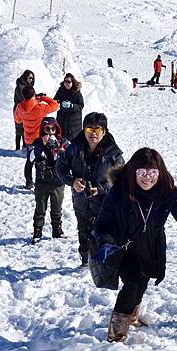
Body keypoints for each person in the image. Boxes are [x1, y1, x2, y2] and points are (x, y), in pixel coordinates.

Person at [93, 148, 177, 343]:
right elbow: (103, 222)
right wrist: (106, 243)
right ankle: (116, 333)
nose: (148, 178)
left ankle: (132, 316)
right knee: (133, 283)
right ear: (133, 172)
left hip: (150, 247)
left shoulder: (167, 192)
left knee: (143, 281)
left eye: (153, 173)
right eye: (142, 173)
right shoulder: (120, 192)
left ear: (160, 173)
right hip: (123, 249)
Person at [55, 112, 124, 267]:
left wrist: (99, 189)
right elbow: (60, 168)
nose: (93, 134)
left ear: (104, 132)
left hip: (104, 203)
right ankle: (85, 259)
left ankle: (101, 261)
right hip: (80, 200)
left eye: (97, 130)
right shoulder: (74, 148)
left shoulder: (113, 153)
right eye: (89, 130)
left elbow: (121, 180)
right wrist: (72, 181)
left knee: (102, 232)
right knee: (83, 230)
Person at [30, 117, 69, 242]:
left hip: (58, 182)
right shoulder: (37, 142)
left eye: (53, 129)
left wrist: (61, 151)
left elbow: (72, 158)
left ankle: (57, 230)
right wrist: (41, 144)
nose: (50, 132)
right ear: (43, 130)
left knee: (57, 207)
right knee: (40, 207)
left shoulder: (63, 142)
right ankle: (37, 231)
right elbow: (30, 158)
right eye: (47, 129)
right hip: (42, 181)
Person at [14, 85, 59, 189]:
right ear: (34, 94)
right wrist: (42, 98)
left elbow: (18, 120)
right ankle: (43, 181)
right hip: (41, 138)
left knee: (30, 160)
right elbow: (55, 105)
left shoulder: (20, 107)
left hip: (28, 139)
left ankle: (29, 182)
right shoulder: (39, 107)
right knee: (42, 160)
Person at [53, 73, 84, 142]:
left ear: (72, 82)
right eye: (65, 81)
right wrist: (59, 103)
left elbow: (81, 106)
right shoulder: (60, 91)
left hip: (73, 122)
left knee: (72, 140)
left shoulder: (77, 93)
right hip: (62, 118)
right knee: (61, 138)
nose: (66, 83)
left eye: (69, 82)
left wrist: (72, 106)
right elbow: (55, 100)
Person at [13, 70, 35, 151]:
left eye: (32, 78)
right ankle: (18, 148)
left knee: (25, 128)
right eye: (29, 78)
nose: (31, 80)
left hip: (26, 109)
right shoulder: (20, 87)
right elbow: (24, 98)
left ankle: (24, 146)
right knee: (19, 129)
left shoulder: (28, 86)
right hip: (19, 110)